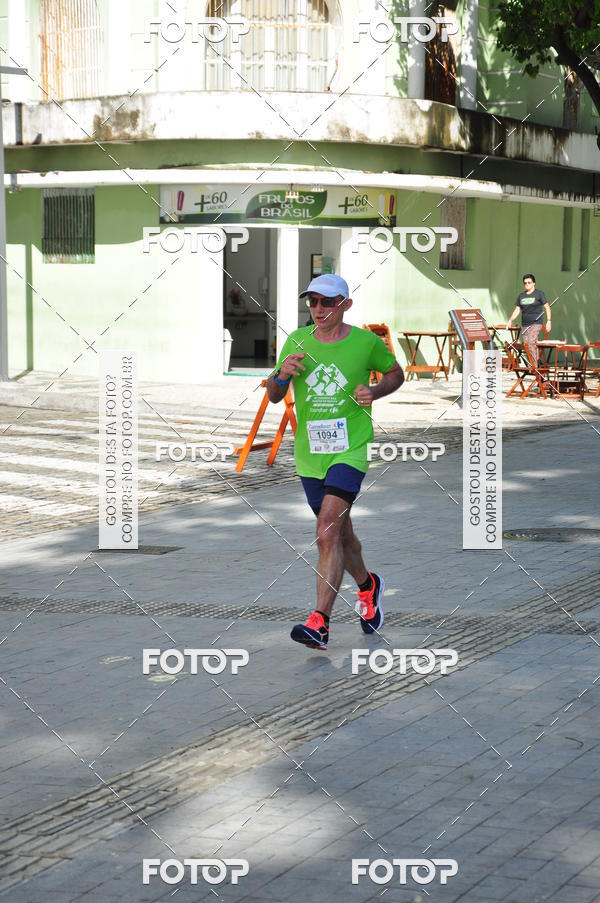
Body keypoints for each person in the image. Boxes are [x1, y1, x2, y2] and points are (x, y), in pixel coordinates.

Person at [266, 274, 404, 651]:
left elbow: (396, 373)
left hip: (350, 449)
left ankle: (319, 623)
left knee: (326, 530)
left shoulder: (366, 343)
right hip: (311, 455)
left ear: (345, 305)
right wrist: (280, 374)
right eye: (312, 302)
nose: (318, 309)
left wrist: (374, 391)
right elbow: (275, 394)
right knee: (340, 535)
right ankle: (368, 585)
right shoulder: (297, 341)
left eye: (327, 302)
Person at [506, 274, 552, 366]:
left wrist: (549, 321)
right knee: (527, 345)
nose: (527, 284)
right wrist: (510, 320)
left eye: (529, 282)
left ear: (534, 283)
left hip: (536, 323)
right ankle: (535, 364)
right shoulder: (521, 296)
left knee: (531, 342)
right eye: (525, 283)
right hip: (525, 325)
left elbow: (547, 307)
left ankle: (533, 367)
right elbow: (517, 309)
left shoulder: (539, 294)